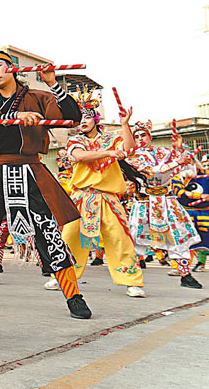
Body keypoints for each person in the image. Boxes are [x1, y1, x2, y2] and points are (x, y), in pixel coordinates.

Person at [0, 43, 91, 319]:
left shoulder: (39, 96)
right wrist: (15, 116)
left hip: (30, 171)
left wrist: (53, 83)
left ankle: (74, 296)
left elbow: (72, 118)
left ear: (11, 67)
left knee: (49, 233)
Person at [55, 89, 144, 297]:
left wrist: (125, 125)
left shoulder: (111, 139)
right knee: (69, 237)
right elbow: (79, 157)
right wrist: (108, 152)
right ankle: (63, 277)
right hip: (81, 197)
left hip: (108, 197)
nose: (83, 122)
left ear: (95, 118)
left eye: (87, 117)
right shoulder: (75, 141)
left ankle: (131, 281)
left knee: (119, 237)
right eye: (80, 118)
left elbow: (129, 149)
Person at [127, 120, 202, 289]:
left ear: (150, 136)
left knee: (178, 234)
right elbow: (153, 172)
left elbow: (186, 167)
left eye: (143, 135)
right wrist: (178, 161)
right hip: (145, 201)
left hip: (167, 200)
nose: (140, 139)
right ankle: (132, 281)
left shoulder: (164, 152)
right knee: (136, 239)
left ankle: (185, 275)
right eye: (136, 136)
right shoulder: (134, 156)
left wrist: (181, 149)